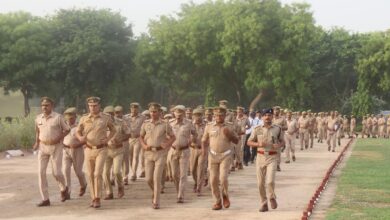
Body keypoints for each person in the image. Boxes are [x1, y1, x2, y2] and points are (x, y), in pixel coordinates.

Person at [76, 97, 116, 208]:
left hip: (101, 149)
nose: (93, 107)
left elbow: (113, 130)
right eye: (90, 105)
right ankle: (93, 198)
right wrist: (80, 138)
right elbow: (78, 131)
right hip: (88, 149)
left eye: (95, 105)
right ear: (88, 106)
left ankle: (98, 198)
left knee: (97, 174)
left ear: (99, 106)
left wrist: (108, 139)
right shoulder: (84, 118)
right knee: (90, 174)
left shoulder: (106, 118)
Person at [33, 97, 70, 207]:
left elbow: (67, 129)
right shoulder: (38, 118)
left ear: (51, 106)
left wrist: (59, 137)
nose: (44, 107)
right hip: (43, 146)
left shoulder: (58, 117)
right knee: (41, 173)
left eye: (47, 105)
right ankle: (45, 199)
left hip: (56, 147)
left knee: (56, 172)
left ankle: (63, 188)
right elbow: (37, 131)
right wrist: (36, 143)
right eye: (43, 105)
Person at [139, 102, 176, 209]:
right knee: (148, 179)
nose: (153, 114)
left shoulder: (165, 124)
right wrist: (144, 145)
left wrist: (167, 144)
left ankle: (156, 201)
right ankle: (155, 192)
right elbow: (140, 137)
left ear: (159, 112)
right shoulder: (146, 124)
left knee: (156, 178)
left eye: (155, 112)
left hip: (160, 153)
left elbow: (173, 137)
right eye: (151, 111)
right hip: (149, 153)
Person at [247, 108, 284, 212]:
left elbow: (282, 141)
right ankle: (263, 203)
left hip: (272, 157)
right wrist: (258, 144)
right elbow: (249, 142)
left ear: (272, 117)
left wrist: (279, 145)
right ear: (262, 117)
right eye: (265, 115)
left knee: (270, 181)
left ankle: (272, 197)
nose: (267, 117)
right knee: (260, 183)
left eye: (269, 115)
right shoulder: (257, 128)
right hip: (260, 157)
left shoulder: (278, 128)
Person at [201, 107, 239, 210]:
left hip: (225, 155)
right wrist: (204, 151)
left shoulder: (229, 126)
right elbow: (204, 140)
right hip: (213, 155)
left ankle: (225, 196)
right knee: (213, 180)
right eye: (217, 115)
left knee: (223, 178)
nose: (218, 117)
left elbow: (236, 141)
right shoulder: (209, 126)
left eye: (221, 115)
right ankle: (217, 201)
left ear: (224, 115)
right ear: (214, 116)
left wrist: (229, 135)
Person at [169, 105, 196, 203]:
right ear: (174, 113)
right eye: (177, 113)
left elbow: (194, 133)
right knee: (174, 174)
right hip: (173, 150)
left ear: (184, 114)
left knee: (183, 175)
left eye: (180, 113)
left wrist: (191, 140)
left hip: (184, 151)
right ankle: (178, 191)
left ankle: (181, 195)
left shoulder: (188, 123)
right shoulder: (170, 123)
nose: (178, 115)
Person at [103, 106, 131, 200]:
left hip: (118, 150)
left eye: (111, 114)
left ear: (114, 114)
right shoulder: (102, 123)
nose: (109, 116)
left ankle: (120, 186)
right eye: (107, 114)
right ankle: (109, 192)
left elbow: (128, 134)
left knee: (116, 171)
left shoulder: (121, 122)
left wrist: (120, 139)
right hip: (106, 150)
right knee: (105, 173)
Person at [62, 107, 87, 199]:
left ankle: (83, 184)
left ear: (75, 117)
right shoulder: (63, 126)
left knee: (78, 172)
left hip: (77, 150)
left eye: (71, 118)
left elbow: (86, 139)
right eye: (68, 118)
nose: (70, 120)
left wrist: (78, 144)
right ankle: (67, 192)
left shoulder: (80, 126)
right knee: (65, 170)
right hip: (66, 150)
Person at [189, 108, 207, 196]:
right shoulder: (189, 125)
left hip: (203, 149)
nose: (197, 117)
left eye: (199, 115)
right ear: (193, 116)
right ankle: (196, 182)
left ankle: (199, 187)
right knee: (192, 170)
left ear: (202, 115)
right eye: (196, 115)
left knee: (201, 169)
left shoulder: (206, 125)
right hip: (192, 149)